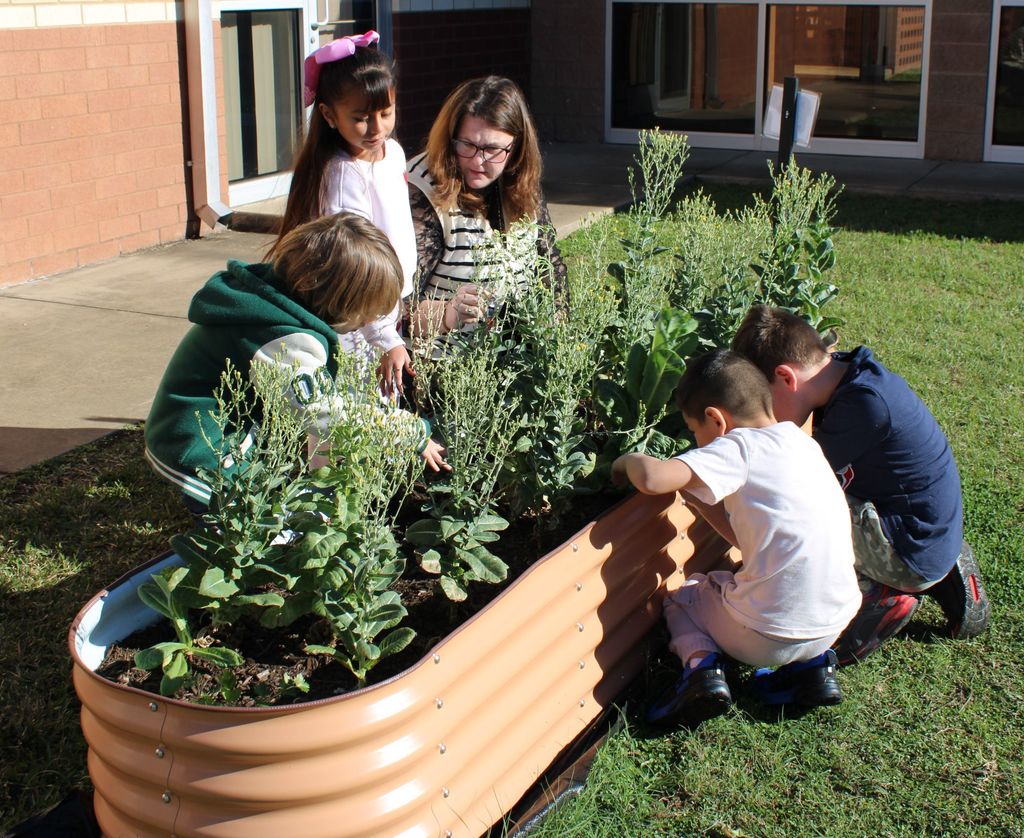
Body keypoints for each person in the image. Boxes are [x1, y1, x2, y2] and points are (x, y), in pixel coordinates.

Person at [612, 350, 861, 728]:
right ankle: (810, 671)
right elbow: (751, 539)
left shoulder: (737, 446)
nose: (698, 442)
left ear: (716, 419)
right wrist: (698, 496)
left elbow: (653, 479)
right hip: (833, 624)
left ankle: (701, 672)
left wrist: (626, 462)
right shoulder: (801, 443)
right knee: (740, 586)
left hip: (766, 635)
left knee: (683, 598)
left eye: (694, 431)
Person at [731, 304, 990, 665]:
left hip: (911, 551)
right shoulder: (849, 376)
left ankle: (879, 596)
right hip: (930, 529)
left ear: (786, 378)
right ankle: (938, 569)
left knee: (794, 512)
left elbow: (792, 484)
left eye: (764, 401)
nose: (764, 415)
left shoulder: (862, 409)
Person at [145, 213, 448, 514]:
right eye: (365, 310)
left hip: (212, 428)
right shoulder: (281, 339)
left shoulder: (274, 303)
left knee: (263, 509)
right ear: (333, 297)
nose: (369, 322)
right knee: (246, 523)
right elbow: (321, 411)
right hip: (202, 445)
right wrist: (405, 430)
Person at [270, 31, 415, 398]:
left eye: (386, 112)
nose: (377, 128)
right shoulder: (342, 176)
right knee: (357, 404)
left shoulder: (393, 153)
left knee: (383, 402)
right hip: (357, 319)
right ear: (329, 116)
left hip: (384, 308)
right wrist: (385, 337)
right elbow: (353, 270)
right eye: (361, 118)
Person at [406, 75, 567, 344]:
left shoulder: (520, 180)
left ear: (516, 148)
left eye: (492, 149)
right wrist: (447, 314)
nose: (478, 161)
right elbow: (395, 311)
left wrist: (557, 333)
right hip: (443, 361)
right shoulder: (422, 191)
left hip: (517, 355)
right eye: (467, 144)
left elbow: (550, 267)